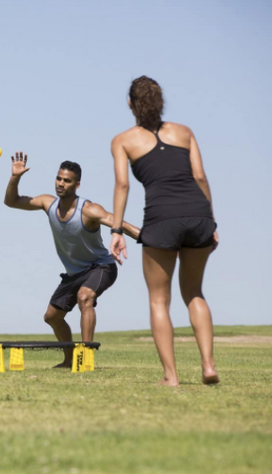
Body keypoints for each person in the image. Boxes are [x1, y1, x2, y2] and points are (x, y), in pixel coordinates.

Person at [110, 76, 219, 386]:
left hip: (161, 219)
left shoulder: (123, 140)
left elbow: (122, 184)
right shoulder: (184, 132)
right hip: (198, 215)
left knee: (159, 300)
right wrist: (211, 222)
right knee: (195, 292)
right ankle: (208, 366)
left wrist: (117, 229)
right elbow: (199, 177)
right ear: (160, 102)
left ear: (130, 103)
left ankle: (171, 377)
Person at [5, 153, 140, 367]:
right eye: (58, 178)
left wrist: (158, 242)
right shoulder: (47, 203)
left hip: (101, 266)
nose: (61, 183)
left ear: (77, 184)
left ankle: (85, 359)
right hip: (73, 273)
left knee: (85, 297)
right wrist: (15, 177)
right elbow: (11, 202)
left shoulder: (89, 209)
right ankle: (69, 360)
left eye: (66, 180)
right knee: (52, 317)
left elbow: (122, 224)